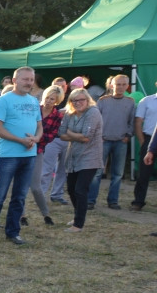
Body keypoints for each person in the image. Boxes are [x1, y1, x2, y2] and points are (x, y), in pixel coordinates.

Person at [0, 67, 43, 246]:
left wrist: (37, 138)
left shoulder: (33, 102)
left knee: (20, 196)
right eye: (25, 79)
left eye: (31, 80)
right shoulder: (4, 100)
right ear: (15, 81)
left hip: (29, 155)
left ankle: (13, 232)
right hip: (8, 155)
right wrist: (20, 140)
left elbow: (39, 125)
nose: (29, 83)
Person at [59, 89, 104, 232]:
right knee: (71, 189)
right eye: (74, 100)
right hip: (73, 156)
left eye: (81, 100)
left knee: (80, 189)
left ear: (87, 100)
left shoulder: (93, 112)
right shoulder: (69, 113)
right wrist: (75, 135)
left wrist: (70, 134)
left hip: (90, 157)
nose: (78, 103)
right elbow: (61, 134)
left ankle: (78, 224)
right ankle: (77, 215)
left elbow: (86, 137)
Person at [89, 74, 135, 210]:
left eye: (123, 84)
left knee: (118, 174)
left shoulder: (130, 102)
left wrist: (128, 135)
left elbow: (132, 121)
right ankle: (91, 200)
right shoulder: (103, 101)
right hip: (103, 140)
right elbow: (95, 120)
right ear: (111, 85)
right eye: (118, 84)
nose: (120, 87)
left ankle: (113, 201)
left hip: (121, 141)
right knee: (97, 172)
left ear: (127, 86)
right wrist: (99, 136)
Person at [27, 85, 64, 226]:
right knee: (22, 186)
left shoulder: (57, 116)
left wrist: (36, 138)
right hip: (24, 147)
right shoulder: (34, 109)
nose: (48, 101)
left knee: (36, 186)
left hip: (38, 150)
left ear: (57, 101)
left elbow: (51, 136)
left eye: (52, 99)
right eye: (47, 97)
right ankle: (22, 215)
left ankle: (46, 214)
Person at [130, 82, 157, 211]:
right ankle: (138, 201)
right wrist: (143, 142)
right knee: (144, 173)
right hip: (148, 139)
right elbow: (138, 122)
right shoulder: (146, 101)